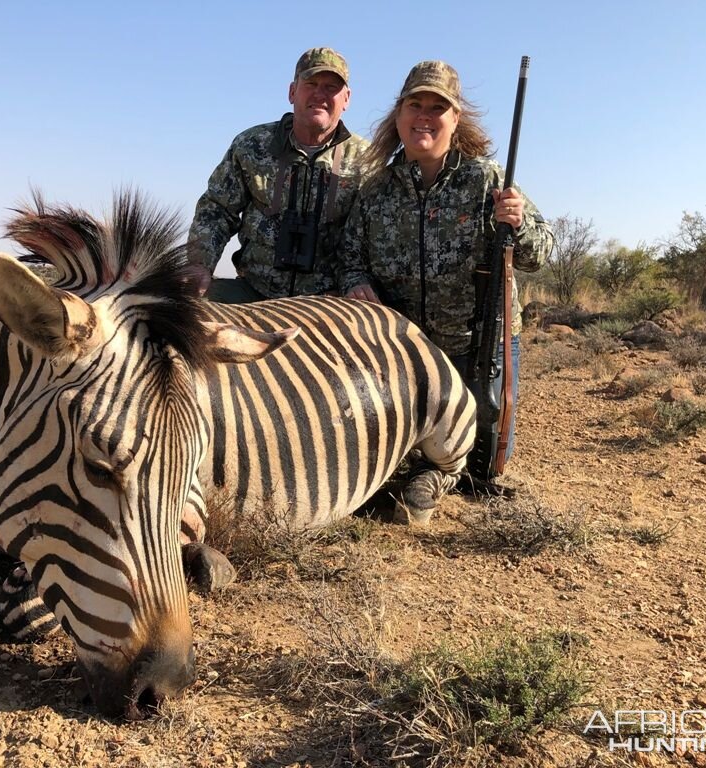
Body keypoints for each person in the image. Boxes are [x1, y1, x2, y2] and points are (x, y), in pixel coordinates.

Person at [338, 60, 554, 515]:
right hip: (404, 356)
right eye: (415, 104)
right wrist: (356, 283)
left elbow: (540, 252)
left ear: (456, 120)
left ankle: (438, 477)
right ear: (398, 116)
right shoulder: (375, 190)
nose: (425, 116)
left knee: (485, 463)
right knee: (387, 453)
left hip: (478, 347)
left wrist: (518, 224)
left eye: (439, 107)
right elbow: (348, 258)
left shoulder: (489, 180)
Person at [188, 47, 371, 302]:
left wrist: (355, 282)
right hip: (253, 292)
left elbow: (369, 237)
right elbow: (217, 209)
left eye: (331, 87)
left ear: (347, 99)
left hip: (328, 302)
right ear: (292, 92)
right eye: (311, 84)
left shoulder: (367, 160)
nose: (320, 94)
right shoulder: (251, 145)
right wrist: (200, 264)